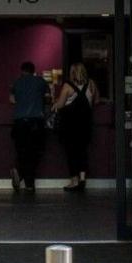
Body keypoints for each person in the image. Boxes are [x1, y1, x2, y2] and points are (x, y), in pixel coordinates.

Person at [53, 62, 98, 192]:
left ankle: (74, 180)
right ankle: (83, 178)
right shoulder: (91, 84)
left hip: (70, 125)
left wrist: (55, 102)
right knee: (82, 151)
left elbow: (60, 105)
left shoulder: (68, 86)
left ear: (72, 73)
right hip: (86, 123)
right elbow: (96, 101)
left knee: (71, 152)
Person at [9, 61, 51, 192]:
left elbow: (12, 100)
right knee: (34, 153)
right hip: (36, 122)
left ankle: (20, 172)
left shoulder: (16, 82)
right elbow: (48, 98)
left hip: (20, 122)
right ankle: (29, 184)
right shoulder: (41, 81)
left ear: (22, 71)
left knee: (22, 151)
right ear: (34, 70)